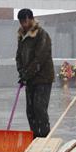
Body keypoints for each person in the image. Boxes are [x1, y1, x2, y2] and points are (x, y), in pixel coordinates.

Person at [15, 8, 54, 138]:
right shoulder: (21, 36)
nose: (24, 24)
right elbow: (19, 57)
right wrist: (21, 72)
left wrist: (27, 74)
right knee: (30, 110)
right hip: (29, 79)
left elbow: (40, 59)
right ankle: (35, 135)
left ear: (31, 19)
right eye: (22, 22)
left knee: (39, 109)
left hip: (43, 78)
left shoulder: (42, 35)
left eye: (26, 21)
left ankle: (44, 136)